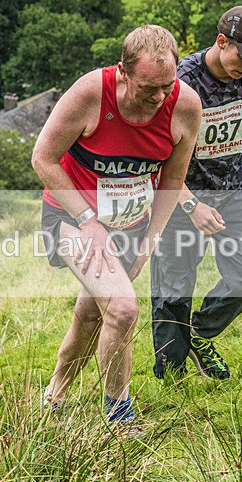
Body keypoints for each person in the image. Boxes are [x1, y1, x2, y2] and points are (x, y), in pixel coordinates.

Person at [32, 25, 202, 429]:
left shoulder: (186, 106)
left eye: (167, 85)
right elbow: (43, 159)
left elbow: (172, 181)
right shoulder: (91, 93)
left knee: (92, 315)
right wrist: (86, 221)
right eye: (148, 87)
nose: (159, 97)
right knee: (123, 309)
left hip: (131, 223)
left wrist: (152, 238)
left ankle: (53, 395)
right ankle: (119, 415)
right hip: (73, 215)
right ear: (123, 72)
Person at [150, 6, 242, 381]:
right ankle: (171, 375)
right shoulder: (180, 82)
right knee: (174, 286)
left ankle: (199, 334)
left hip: (232, 191)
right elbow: (155, 155)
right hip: (178, 196)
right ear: (222, 42)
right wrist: (191, 204)